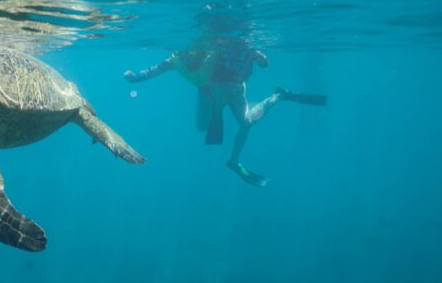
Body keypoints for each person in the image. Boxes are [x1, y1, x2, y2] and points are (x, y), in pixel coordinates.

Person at [124, 36, 326, 187]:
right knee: (204, 126)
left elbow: (256, 60)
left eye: (193, 52)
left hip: (233, 90)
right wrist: (136, 78)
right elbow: (154, 70)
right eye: (187, 53)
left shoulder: (210, 53)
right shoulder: (175, 61)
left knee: (246, 123)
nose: (190, 56)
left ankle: (237, 156)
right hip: (213, 93)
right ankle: (274, 98)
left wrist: (255, 55)